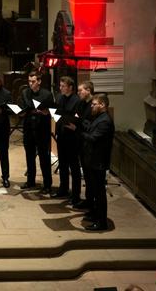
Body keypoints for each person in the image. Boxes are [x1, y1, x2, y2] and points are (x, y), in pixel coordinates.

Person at [68, 93, 114, 231]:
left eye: (94, 104)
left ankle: (101, 222)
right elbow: (89, 129)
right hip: (92, 160)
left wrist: (77, 131)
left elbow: (93, 138)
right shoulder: (98, 118)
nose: (92, 107)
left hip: (98, 162)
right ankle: (95, 214)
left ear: (103, 105)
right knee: (93, 190)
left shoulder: (105, 121)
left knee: (99, 193)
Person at [19, 71, 54, 194]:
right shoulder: (25, 92)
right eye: (29, 81)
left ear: (39, 81)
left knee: (44, 158)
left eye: (33, 81)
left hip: (42, 129)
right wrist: (22, 112)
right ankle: (30, 181)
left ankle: (47, 184)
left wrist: (45, 112)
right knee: (29, 156)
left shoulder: (47, 94)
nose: (30, 84)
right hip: (28, 128)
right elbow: (24, 108)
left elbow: (52, 111)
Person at [51, 76, 82, 204]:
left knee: (74, 167)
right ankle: (63, 189)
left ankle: (75, 195)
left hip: (72, 137)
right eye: (60, 85)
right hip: (62, 135)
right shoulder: (59, 97)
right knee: (62, 164)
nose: (60, 88)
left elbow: (78, 118)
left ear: (70, 87)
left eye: (63, 86)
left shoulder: (77, 101)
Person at [73, 81, 95, 210]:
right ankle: (88, 200)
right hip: (80, 141)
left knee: (91, 176)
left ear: (88, 90)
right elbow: (77, 116)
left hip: (89, 144)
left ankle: (92, 203)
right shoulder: (81, 103)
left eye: (80, 90)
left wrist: (78, 121)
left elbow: (87, 122)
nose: (78, 93)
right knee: (86, 175)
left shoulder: (93, 105)